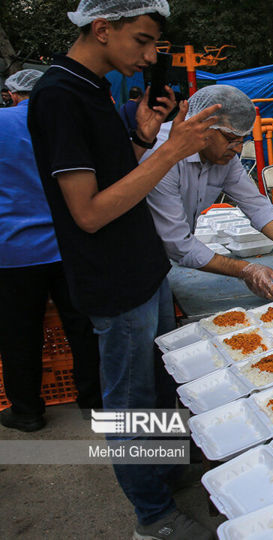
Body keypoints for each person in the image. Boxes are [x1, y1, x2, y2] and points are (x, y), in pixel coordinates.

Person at [27, 1, 220, 538]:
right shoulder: (59, 96)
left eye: (154, 42)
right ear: (101, 28)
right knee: (130, 403)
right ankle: (153, 517)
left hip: (144, 269)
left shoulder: (95, 89)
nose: (150, 55)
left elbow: (115, 181)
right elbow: (88, 213)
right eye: (142, 39)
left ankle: (166, 471)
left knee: (158, 386)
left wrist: (142, 138)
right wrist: (170, 151)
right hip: (113, 280)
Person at [145, 84, 273, 298]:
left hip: (160, 263)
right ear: (202, 125)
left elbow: (257, 206)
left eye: (242, 139)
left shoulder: (224, 156)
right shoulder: (162, 153)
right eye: (231, 139)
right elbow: (179, 244)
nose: (238, 149)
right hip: (133, 261)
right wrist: (245, 269)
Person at [0, 69, 102, 433]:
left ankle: (27, 411)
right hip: (68, 244)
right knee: (83, 328)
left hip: (12, 251)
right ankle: (95, 401)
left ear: (13, 95)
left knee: (18, 334)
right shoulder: (64, 122)